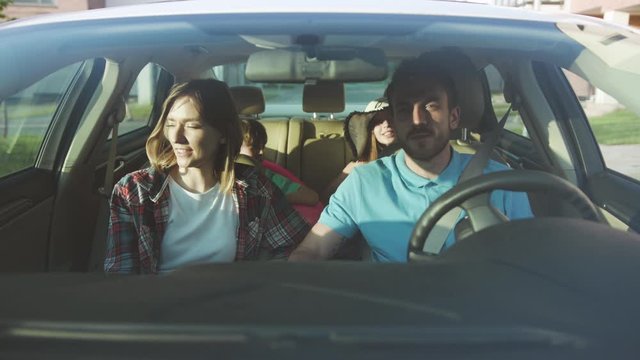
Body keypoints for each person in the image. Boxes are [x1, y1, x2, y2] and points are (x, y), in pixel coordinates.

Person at [289, 57, 533, 262]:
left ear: (454, 117)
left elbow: (530, 261)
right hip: (391, 313)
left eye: (431, 105)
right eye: (405, 110)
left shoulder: (501, 182)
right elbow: (314, 249)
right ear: (394, 121)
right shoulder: (363, 182)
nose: (418, 120)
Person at [104, 79, 309, 274]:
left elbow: (294, 248)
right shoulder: (133, 191)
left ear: (222, 134)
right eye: (171, 124)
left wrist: (254, 284)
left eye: (192, 126)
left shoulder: (255, 188)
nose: (176, 138)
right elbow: (121, 278)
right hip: (156, 304)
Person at [239, 118, 323, 224]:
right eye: (254, 147)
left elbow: (312, 197)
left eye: (263, 147)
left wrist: (274, 200)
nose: (261, 152)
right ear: (233, 149)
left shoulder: (267, 176)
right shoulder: (215, 177)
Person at [322, 99, 397, 202]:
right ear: (370, 130)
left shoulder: (416, 159)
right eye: (378, 122)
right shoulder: (359, 166)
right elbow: (328, 197)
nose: (386, 124)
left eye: (391, 118)